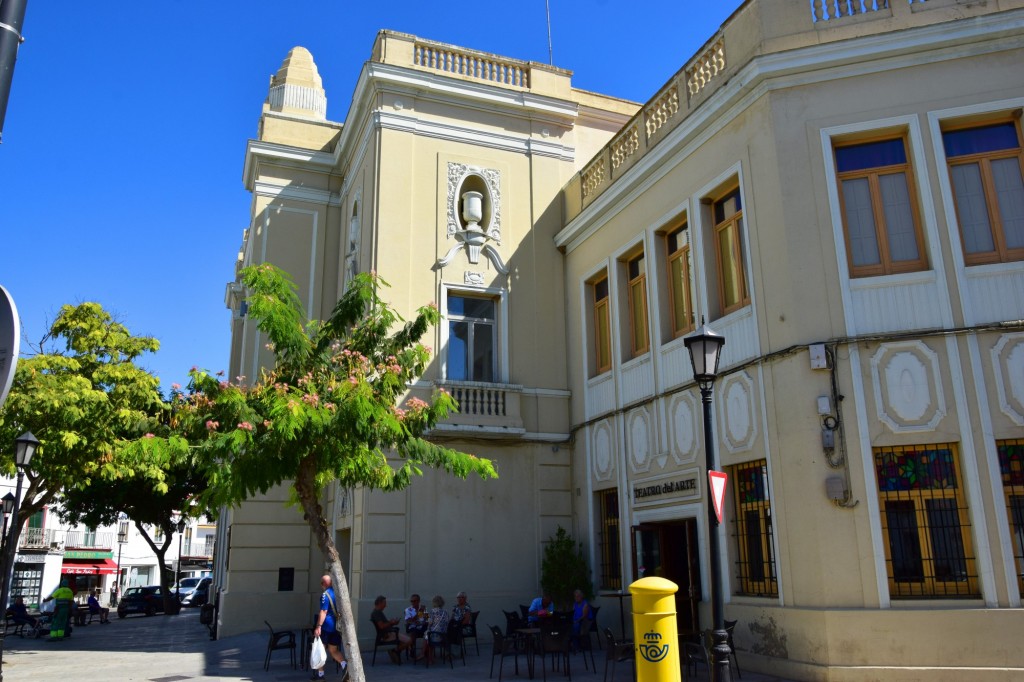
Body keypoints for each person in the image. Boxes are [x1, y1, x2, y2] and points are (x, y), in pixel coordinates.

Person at [312, 574, 348, 681]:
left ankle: (320, 675)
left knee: (320, 650)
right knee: (333, 650)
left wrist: (318, 626)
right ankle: (345, 665)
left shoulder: (325, 595)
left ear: (323, 584)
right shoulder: (337, 594)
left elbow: (323, 611)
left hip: (326, 627)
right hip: (336, 627)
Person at [371, 595, 412, 664]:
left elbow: (384, 625)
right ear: (380, 603)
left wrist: (393, 623)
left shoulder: (378, 612)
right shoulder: (377, 613)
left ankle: (395, 655)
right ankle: (394, 651)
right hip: (386, 635)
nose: (385, 605)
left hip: (388, 633)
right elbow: (381, 626)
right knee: (410, 640)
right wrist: (391, 622)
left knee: (403, 642)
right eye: (384, 603)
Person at [420, 594, 449, 662]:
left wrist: (422, 611)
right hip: (444, 637)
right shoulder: (446, 612)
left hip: (434, 636)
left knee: (427, 634)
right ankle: (426, 656)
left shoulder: (432, 611)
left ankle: (425, 655)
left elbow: (429, 622)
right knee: (429, 634)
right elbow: (447, 622)